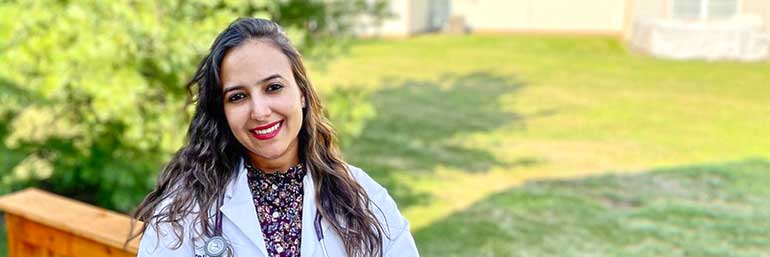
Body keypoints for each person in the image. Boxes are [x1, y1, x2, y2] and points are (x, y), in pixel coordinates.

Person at [128, 18, 419, 257]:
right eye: (238, 96)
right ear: (223, 112)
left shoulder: (366, 200)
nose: (259, 111)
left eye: (273, 87)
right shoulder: (184, 212)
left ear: (301, 94)